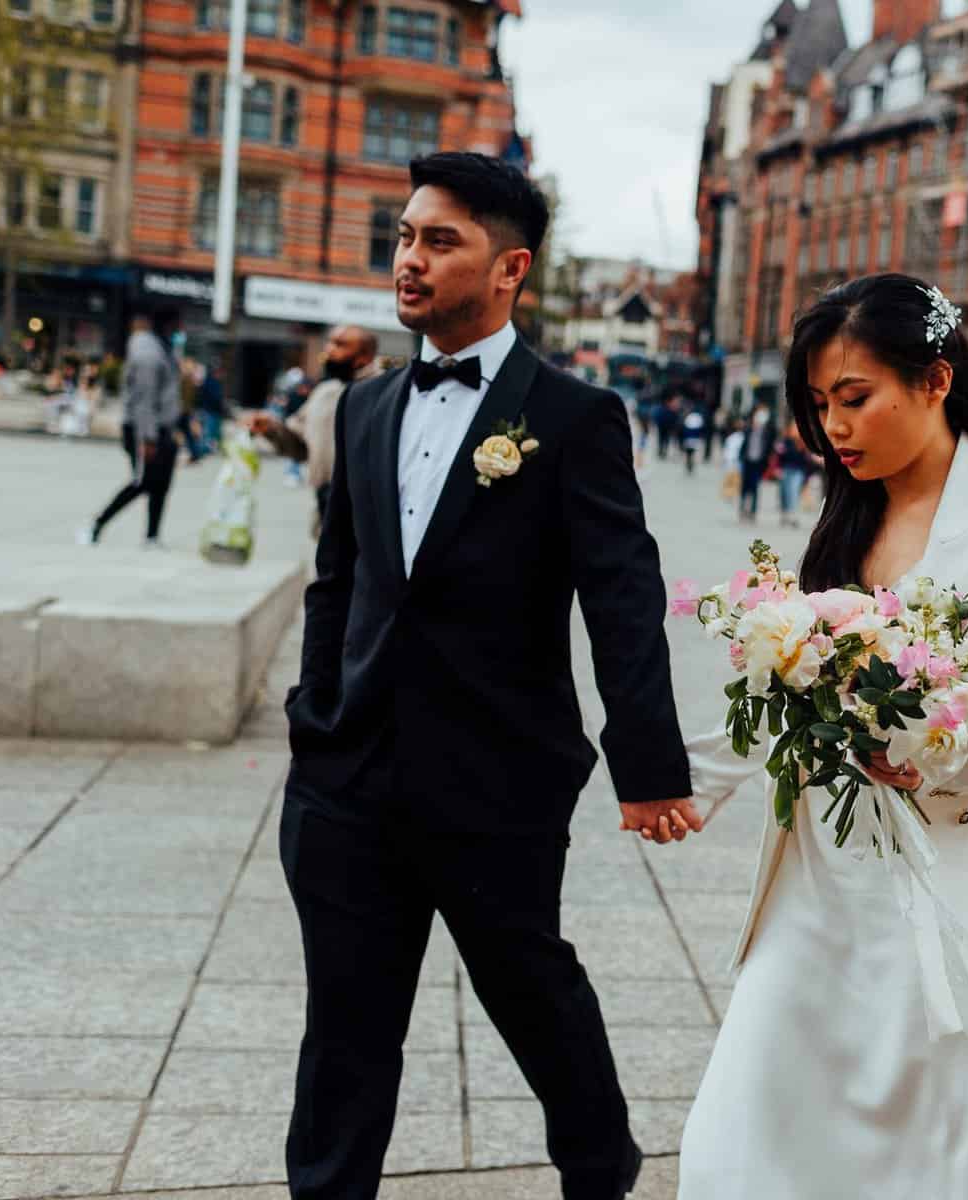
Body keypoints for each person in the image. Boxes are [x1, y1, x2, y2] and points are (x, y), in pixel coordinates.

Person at [279, 152, 697, 1200]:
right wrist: (313, 709)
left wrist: (648, 765)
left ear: (509, 268)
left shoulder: (573, 415)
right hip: (349, 774)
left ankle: (599, 1169)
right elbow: (340, 578)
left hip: (496, 777)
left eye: (440, 240)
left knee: (532, 993)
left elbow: (621, 595)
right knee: (345, 1026)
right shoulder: (364, 408)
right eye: (407, 235)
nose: (409, 259)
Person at [676, 273, 968, 1199]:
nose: (832, 425)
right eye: (820, 403)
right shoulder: (844, 516)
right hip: (820, 870)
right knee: (743, 1126)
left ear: (936, 380)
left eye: (854, 398)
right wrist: (685, 782)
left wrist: (939, 752)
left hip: (950, 881)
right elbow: (794, 683)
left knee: (917, 1151)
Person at [249, 325, 380, 533]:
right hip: (325, 513)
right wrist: (271, 428)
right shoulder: (325, 392)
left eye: (340, 344)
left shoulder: (385, 392)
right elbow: (299, 446)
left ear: (364, 356)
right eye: (330, 342)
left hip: (370, 520)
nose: (328, 349)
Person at [81, 314, 182, 548]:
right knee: (143, 481)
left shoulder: (161, 349)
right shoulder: (148, 353)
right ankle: (97, 524)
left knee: (160, 483)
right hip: (144, 430)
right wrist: (148, 438)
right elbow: (144, 400)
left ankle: (152, 536)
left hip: (159, 428)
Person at [738, 404, 776, 522]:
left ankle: (753, 512)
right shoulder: (749, 428)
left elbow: (770, 448)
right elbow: (744, 444)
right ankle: (743, 508)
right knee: (745, 486)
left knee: (754, 487)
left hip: (759, 463)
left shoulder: (768, 431)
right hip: (747, 461)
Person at [774, 421, 811, 527]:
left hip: (797, 471)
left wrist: (807, 476)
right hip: (785, 470)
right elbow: (779, 457)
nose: (795, 430)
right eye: (793, 428)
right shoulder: (785, 441)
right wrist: (778, 469)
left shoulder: (803, 443)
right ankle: (785, 514)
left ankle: (793, 516)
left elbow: (806, 461)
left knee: (793, 492)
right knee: (784, 493)